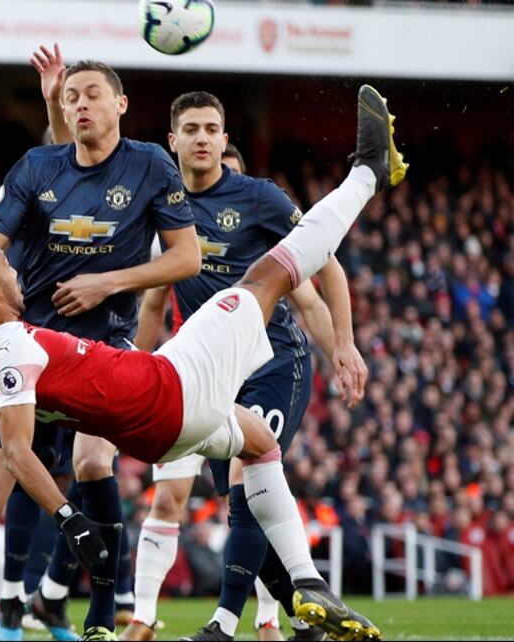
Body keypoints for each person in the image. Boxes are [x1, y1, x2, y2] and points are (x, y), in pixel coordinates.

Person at [0, 83, 407, 642]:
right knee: (271, 272)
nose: (16, 274)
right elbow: (13, 448)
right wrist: (68, 518)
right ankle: (369, 171)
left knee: (259, 445)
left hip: (162, 424)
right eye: (5, 271)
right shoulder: (9, 345)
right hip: (170, 390)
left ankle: (306, 586)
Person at [0, 47, 201, 642]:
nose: (81, 103)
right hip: (26, 344)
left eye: (92, 94)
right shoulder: (37, 166)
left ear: (120, 104)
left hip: (103, 343)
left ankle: (99, 614)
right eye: (71, 96)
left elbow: (186, 258)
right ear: (60, 109)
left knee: (92, 462)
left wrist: (107, 282)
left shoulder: (151, 167)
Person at [121, 92, 366, 642]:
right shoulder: (164, 206)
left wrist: (342, 347)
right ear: (173, 141)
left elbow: (325, 269)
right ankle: (311, 611)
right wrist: (134, 373)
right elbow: (155, 304)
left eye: (212, 128)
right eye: (192, 128)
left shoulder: (259, 198)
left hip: (274, 360)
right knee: (244, 503)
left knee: (244, 477)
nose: (203, 137)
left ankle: (223, 627)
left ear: (225, 139)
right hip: (211, 375)